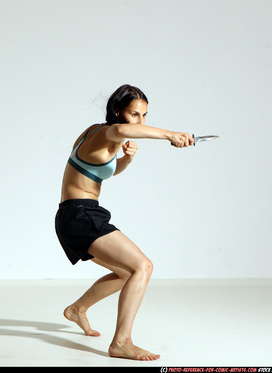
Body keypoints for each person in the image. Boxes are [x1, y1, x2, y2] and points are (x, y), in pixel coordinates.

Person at [55, 84, 194, 361]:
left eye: (144, 115)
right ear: (117, 111)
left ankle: (77, 309)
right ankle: (121, 342)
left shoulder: (100, 136)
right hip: (80, 215)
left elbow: (98, 171)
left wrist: (126, 161)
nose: (140, 122)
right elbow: (119, 131)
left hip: (80, 213)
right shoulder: (106, 131)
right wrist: (170, 135)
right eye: (134, 115)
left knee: (127, 273)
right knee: (143, 266)